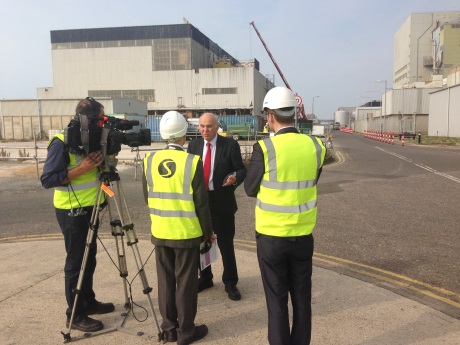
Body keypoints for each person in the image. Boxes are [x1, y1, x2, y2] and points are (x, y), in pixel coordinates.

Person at [244, 86, 326, 345]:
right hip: (303, 236)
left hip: (272, 238)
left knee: (277, 300)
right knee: (302, 298)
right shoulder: (316, 146)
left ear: (270, 116)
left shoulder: (265, 148)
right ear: (294, 113)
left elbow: (249, 188)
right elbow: (312, 179)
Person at [41, 97, 114, 333]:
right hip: (71, 211)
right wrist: (83, 168)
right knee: (76, 263)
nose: (103, 124)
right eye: (101, 119)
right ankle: (75, 314)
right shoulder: (61, 142)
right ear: (88, 120)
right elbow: (48, 179)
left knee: (89, 257)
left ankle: (88, 302)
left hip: (90, 209)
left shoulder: (91, 140)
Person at [143, 111, 212, 344]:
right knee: (186, 283)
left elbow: (147, 197)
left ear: (163, 135)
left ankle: (169, 329)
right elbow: (202, 204)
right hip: (186, 233)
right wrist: (208, 233)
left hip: (160, 231)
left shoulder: (149, 161)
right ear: (184, 135)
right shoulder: (192, 162)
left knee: (165, 282)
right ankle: (187, 331)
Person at [187, 113, 247, 301]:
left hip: (222, 200)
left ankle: (230, 282)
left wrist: (235, 177)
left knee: (226, 244)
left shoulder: (230, 145)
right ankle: (205, 277)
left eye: (209, 126)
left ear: (217, 127)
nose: (205, 130)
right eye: (202, 126)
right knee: (202, 243)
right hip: (200, 202)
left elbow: (241, 169)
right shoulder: (193, 146)